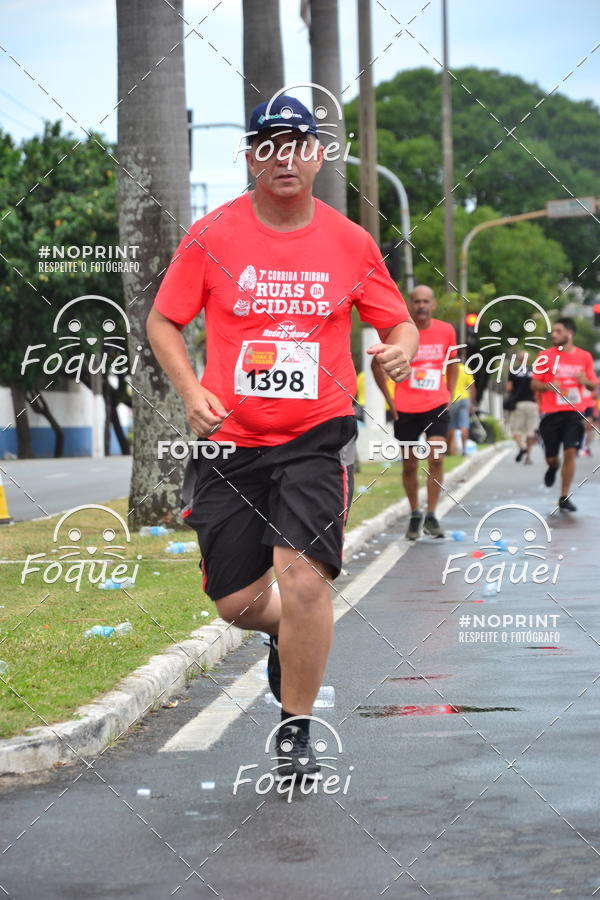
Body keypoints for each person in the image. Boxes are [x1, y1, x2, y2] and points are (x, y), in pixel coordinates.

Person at [147, 95, 418, 780]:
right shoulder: (212, 236)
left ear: (318, 155)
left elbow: (398, 324)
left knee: (302, 581)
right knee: (237, 603)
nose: (283, 157)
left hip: (314, 438)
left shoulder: (350, 242)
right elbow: (163, 321)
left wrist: (402, 349)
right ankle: (283, 635)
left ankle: (295, 733)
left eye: (297, 144)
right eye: (268, 145)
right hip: (232, 442)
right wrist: (190, 391)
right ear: (251, 157)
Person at [371, 284, 457, 540]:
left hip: (436, 404)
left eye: (425, 301)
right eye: (416, 301)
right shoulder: (399, 333)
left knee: (437, 456)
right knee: (409, 465)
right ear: (410, 304)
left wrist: (449, 395)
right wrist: (390, 400)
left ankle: (432, 514)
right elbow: (375, 364)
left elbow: (453, 364)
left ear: (433, 305)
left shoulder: (446, 330)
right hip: (406, 408)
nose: (421, 305)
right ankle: (415, 512)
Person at [531, 317, 598, 511]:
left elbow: (593, 384)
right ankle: (553, 466)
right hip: (551, 413)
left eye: (558, 331)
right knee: (552, 457)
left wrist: (585, 380)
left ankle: (564, 496)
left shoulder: (584, 357)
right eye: (553, 331)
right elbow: (534, 383)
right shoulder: (545, 356)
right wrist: (549, 386)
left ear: (570, 333)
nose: (554, 335)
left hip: (574, 412)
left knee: (570, 452)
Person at [504, 351, 539, 464]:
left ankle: (522, 447)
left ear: (519, 360)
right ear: (528, 360)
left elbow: (509, 388)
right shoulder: (534, 371)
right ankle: (528, 457)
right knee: (531, 431)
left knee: (515, 430)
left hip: (518, 404)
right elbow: (537, 388)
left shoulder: (513, 371)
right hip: (532, 404)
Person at [448, 359, 475, 456]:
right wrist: (472, 403)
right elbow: (472, 387)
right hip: (464, 399)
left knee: (451, 425)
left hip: (453, 399)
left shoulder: (448, 369)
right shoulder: (466, 369)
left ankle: (449, 450)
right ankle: (464, 450)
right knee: (464, 425)